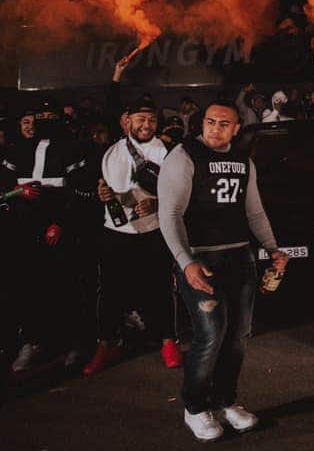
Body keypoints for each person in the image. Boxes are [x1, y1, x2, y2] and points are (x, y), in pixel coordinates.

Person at [158, 100, 289, 442]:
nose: (215, 127)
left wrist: (273, 248)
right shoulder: (183, 157)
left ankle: (225, 401)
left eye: (223, 123)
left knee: (238, 336)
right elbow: (169, 216)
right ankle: (195, 407)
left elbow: (255, 212)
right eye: (210, 121)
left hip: (239, 258)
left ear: (236, 129)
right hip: (202, 261)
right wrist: (186, 263)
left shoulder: (242, 161)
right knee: (210, 335)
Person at [83, 94, 182, 375]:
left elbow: (185, 194)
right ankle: (106, 344)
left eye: (151, 119)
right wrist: (100, 194)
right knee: (111, 291)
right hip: (116, 231)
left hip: (155, 230)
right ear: (128, 121)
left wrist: (158, 203)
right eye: (140, 119)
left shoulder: (170, 152)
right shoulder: (111, 152)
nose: (146, 124)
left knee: (161, 287)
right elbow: (101, 189)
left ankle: (168, 341)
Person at [2, 98, 88, 373]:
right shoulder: (15, 149)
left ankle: (72, 344)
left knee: (64, 285)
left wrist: (61, 222)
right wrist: (19, 191)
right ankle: (33, 342)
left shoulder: (70, 148)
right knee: (29, 286)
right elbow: (3, 188)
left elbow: (78, 192)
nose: (41, 122)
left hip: (60, 229)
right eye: (37, 116)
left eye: (48, 116)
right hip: (23, 229)